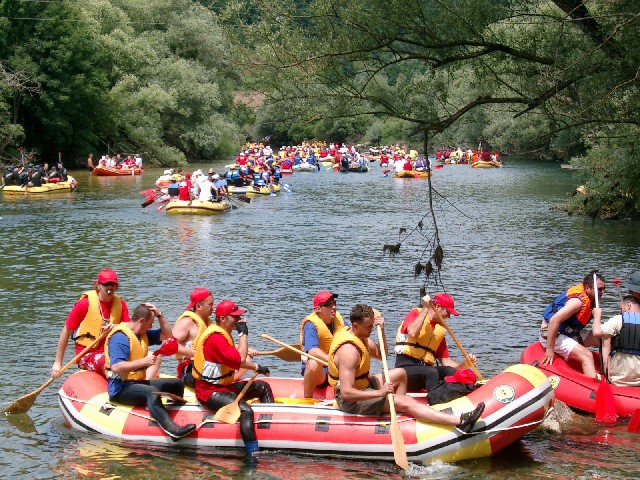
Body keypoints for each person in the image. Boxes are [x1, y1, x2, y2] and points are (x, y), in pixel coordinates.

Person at [328, 304, 484, 432]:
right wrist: (380, 393)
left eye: (372, 325)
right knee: (407, 401)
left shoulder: (361, 337)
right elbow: (347, 393)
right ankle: (459, 420)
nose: (371, 329)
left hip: (365, 384)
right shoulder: (349, 351)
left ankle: (395, 410)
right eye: (369, 326)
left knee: (401, 373)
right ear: (355, 325)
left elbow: (382, 355)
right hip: (351, 400)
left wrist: (381, 330)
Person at [104, 303, 196, 440]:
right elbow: (116, 367)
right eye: (151, 323)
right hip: (120, 388)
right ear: (141, 321)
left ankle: (177, 415)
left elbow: (167, 335)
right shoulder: (120, 338)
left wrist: (159, 315)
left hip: (137, 382)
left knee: (177, 384)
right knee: (151, 391)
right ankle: (172, 430)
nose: (152, 326)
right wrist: (144, 362)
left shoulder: (142, 334)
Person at [193, 299, 273, 457]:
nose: (238, 320)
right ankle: (253, 453)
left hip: (225, 386)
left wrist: (257, 368)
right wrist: (243, 334)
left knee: (263, 387)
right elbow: (241, 359)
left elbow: (235, 359)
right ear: (223, 319)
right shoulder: (215, 338)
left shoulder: (223, 335)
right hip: (209, 392)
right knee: (245, 410)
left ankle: (271, 428)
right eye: (235, 317)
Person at [51, 269, 130, 378]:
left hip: (112, 352)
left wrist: (118, 327)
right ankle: (117, 388)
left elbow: (130, 330)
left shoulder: (121, 305)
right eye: (107, 284)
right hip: (87, 354)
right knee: (109, 361)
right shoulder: (84, 304)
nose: (110, 287)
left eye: (113, 284)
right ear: (98, 286)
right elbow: (66, 331)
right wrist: (57, 363)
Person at [394, 294, 477, 394]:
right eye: (448, 311)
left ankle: (453, 395)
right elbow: (412, 332)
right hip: (405, 370)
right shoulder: (415, 314)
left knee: (451, 372)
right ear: (437, 307)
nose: (449, 316)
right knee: (431, 372)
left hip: (425, 370)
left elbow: (447, 362)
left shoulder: (438, 331)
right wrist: (425, 308)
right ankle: (436, 399)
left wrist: (464, 364)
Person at [539, 272, 604, 380]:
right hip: (553, 335)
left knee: (605, 339)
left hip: (569, 332)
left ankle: (609, 375)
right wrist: (550, 350)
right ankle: (593, 390)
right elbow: (554, 320)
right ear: (587, 288)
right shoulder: (577, 302)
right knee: (587, 355)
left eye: (603, 289)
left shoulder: (590, 300)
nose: (602, 292)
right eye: (599, 289)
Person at [300, 291, 349, 398]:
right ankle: (307, 399)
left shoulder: (339, 320)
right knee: (313, 363)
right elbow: (312, 351)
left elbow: (353, 334)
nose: (334, 307)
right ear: (318, 309)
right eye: (328, 305)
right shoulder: (311, 325)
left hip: (337, 370)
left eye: (334, 303)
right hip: (320, 372)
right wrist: (335, 361)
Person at [591, 295, 640, 386]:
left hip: (619, 381)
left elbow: (596, 332)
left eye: (621, 309)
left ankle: (605, 375)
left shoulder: (619, 319)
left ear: (628, 306)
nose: (620, 312)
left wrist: (597, 316)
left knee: (607, 337)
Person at [172, 288, 215, 388]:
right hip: (189, 369)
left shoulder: (209, 324)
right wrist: (195, 353)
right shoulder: (187, 322)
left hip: (207, 367)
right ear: (199, 306)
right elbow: (170, 345)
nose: (213, 307)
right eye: (210, 304)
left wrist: (244, 350)